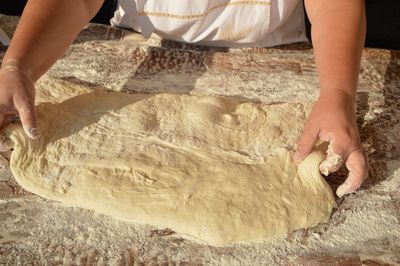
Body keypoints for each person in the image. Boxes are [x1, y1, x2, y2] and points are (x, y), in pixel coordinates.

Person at [0, 0, 368, 197]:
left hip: (278, 51)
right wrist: (20, 63)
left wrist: (337, 91)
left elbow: (333, 4)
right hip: (142, 41)